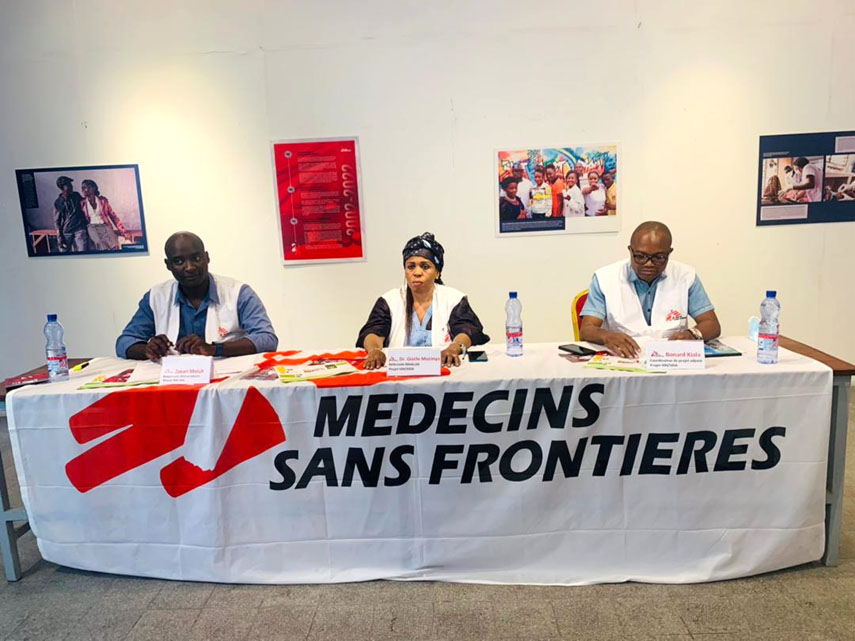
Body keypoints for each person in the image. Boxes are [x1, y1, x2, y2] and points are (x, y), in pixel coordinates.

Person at [116, 232, 278, 360]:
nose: (190, 267)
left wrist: (215, 349)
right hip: (173, 382)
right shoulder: (156, 296)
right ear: (168, 265)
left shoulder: (238, 292)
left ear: (207, 257)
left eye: (196, 258)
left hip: (226, 380)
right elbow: (124, 342)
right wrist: (147, 349)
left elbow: (267, 338)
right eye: (179, 261)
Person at [579, 221, 721, 358]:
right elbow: (587, 330)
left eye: (658, 257)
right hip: (623, 359)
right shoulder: (605, 278)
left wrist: (692, 334)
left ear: (669, 253)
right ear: (630, 250)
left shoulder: (685, 276)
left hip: (671, 360)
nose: (649, 264)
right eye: (640, 257)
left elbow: (712, 324)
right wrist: (607, 337)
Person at [356, 232, 489, 369]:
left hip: (443, 369)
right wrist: (374, 351)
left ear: (437, 273)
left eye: (425, 266)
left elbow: (467, 330)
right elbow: (373, 332)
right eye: (411, 266)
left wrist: (454, 347)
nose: (417, 272)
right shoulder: (389, 300)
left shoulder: (453, 299)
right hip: (400, 371)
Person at [80, 179, 127, 251]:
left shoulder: (103, 201)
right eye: (82, 188)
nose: (83, 190)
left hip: (105, 225)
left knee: (114, 243)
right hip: (91, 227)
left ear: (93, 188)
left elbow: (113, 216)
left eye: (85, 187)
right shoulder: (82, 203)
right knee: (100, 244)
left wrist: (122, 231)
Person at [53, 176, 91, 252]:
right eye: (69, 185)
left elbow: (86, 204)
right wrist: (59, 237)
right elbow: (56, 221)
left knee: (83, 253)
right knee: (64, 253)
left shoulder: (76, 195)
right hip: (66, 232)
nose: (72, 186)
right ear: (63, 188)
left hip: (79, 229)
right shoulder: (58, 202)